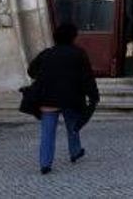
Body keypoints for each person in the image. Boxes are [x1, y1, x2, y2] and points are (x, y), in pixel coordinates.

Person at [27, 22, 100, 175]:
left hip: (48, 98)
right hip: (71, 98)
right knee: (72, 127)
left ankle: (45, 164)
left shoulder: (47, 53)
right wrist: (93, 95)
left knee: (47, 132)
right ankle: (75, 152)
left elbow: (31, 70)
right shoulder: (78, 53)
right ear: (73, 37)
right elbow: (87, 78)